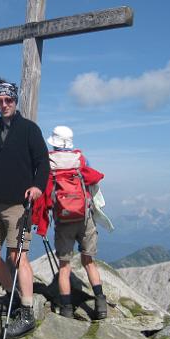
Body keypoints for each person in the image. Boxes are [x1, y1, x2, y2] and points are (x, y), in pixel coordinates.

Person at [0, 79, 50, 339]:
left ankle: (26, 312)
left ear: (15, 101)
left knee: (17, 257)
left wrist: (37, 186)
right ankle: (13, 298)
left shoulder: (29, 129)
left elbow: (43, 163)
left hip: (19, 204)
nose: (4, 104)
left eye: (8, 100)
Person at [33, 125, 110, 320]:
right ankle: (100, 304)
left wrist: (40, 220)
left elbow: (43, 194)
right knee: (88, 261)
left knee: (64, 266)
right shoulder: (80, 159)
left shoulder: (48, 162)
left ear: (54, 142)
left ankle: (66, 309)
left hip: (63, 220)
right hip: (85, 219)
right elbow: (92, 182)